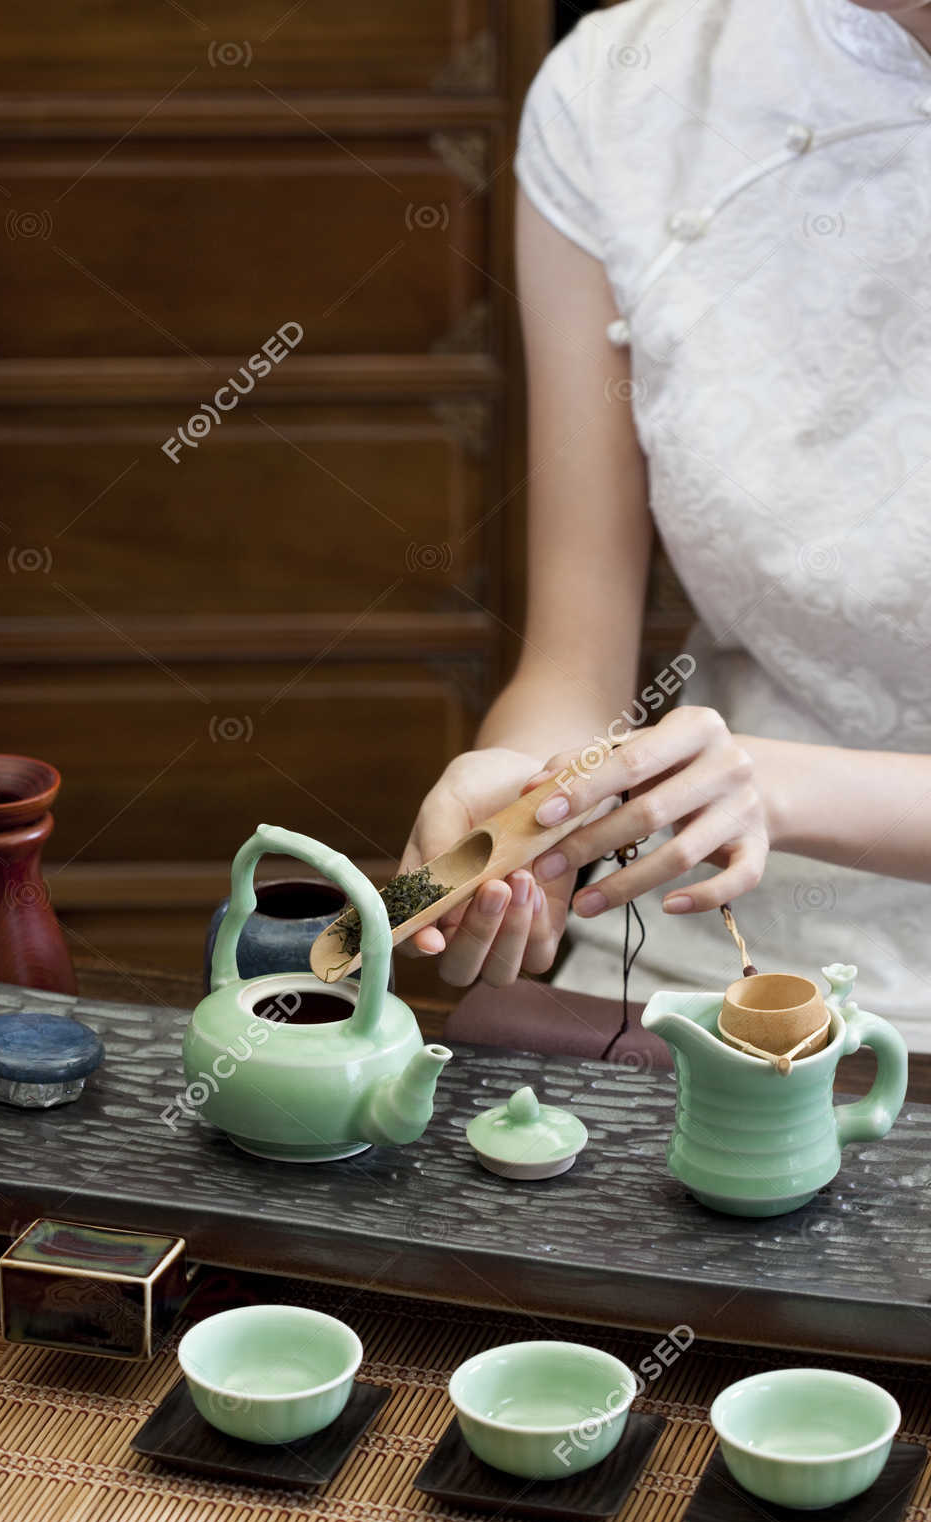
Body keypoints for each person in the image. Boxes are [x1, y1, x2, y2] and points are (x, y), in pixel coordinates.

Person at [401, 0, 931, 1047]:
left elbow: (752, 779)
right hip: (702, 950)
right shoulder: (622, 91)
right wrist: (522, 812)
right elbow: (575, 664)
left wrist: (779, 784)